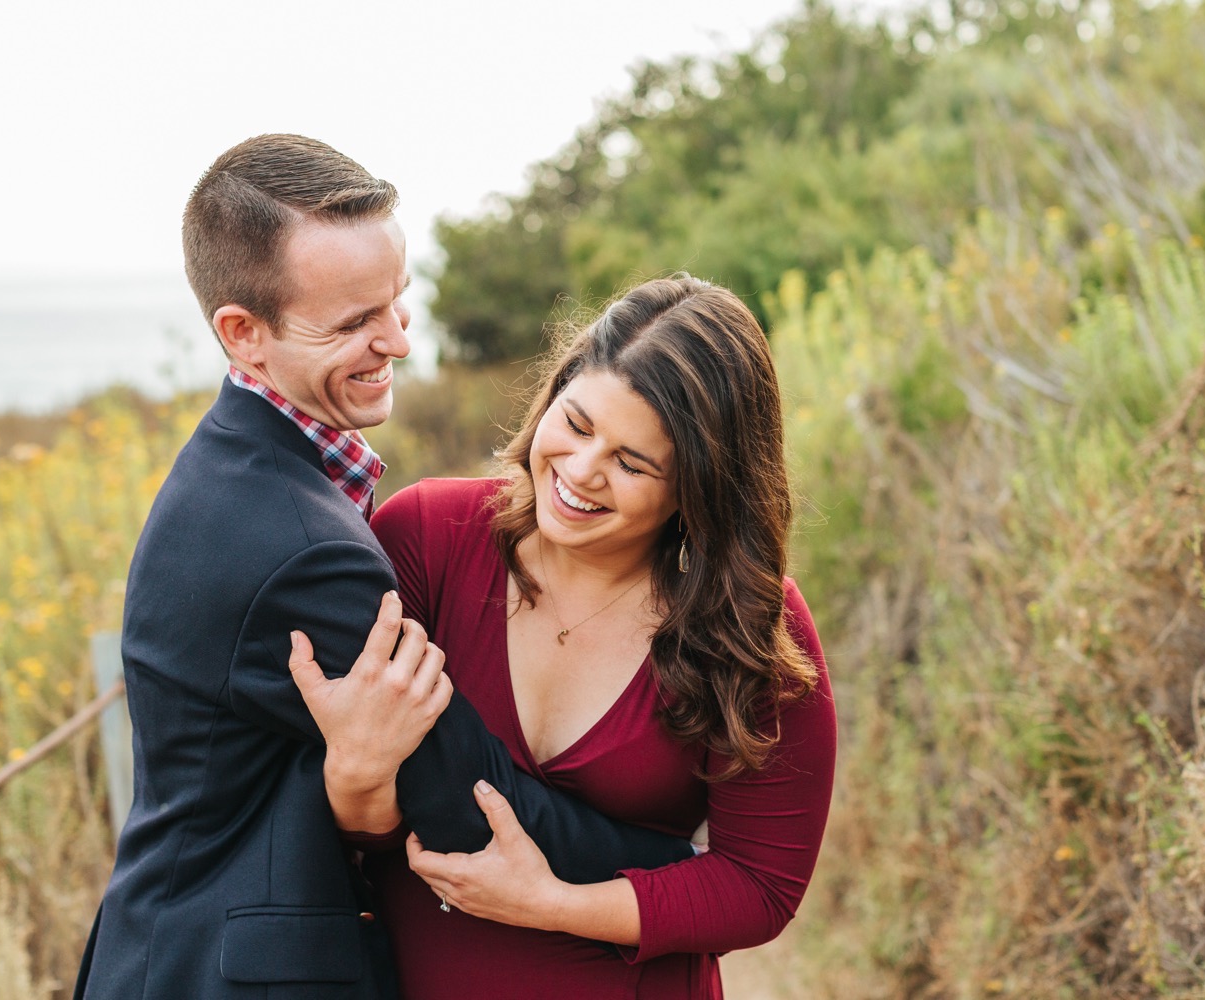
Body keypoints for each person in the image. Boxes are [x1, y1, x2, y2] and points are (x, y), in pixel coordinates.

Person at [71, 135, 695, 1000]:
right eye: (355, 323)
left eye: (396, 302)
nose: (398, 341)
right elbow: (454, 784)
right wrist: (667, 864)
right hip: (228, 970)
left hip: (173, 946)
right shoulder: (300, 542)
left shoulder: (237, 465)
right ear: (244, 335)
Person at [301, 275, 837, 998]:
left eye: (631, 462)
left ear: (698, 487)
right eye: (578, 425)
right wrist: (353, 776)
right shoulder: (426, 539)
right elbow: (353, 831)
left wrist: (550, 904)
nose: (581, 473)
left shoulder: (749, 624)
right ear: (555, 392)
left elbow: (760, 886)